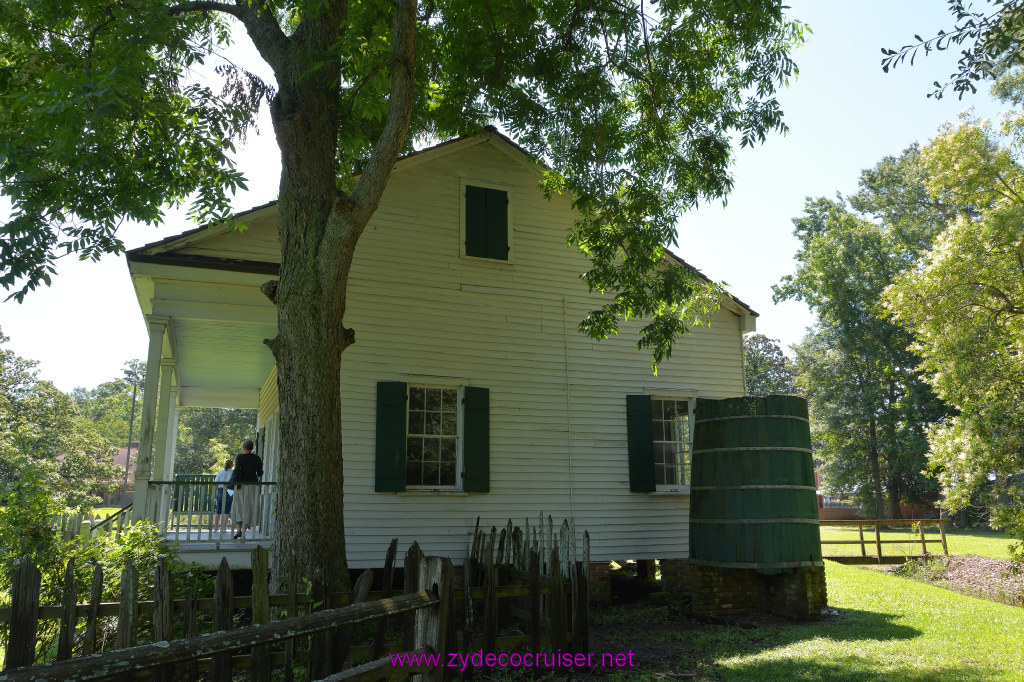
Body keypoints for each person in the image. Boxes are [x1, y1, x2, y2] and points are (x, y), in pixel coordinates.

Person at [231, 439, 263, 540]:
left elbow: (236, 471)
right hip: (253, 485)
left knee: (238, 506)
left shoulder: (240, 457)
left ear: (243, 448)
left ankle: (239, 530)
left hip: (241, 485)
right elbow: (260, 473)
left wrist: (232, 482)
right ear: (252, 448)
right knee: (248, 507)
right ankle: (243, 531)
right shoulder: (256, 458)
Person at [212, 458, 234, 530]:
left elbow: (216, 482)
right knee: (227, 509)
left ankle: (215, 527)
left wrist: (214, 492)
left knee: (219, 509)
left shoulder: (220, 472)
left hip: (221, 489)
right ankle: (224, 528)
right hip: (230, 490)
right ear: (231, 465)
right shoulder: (232, 473)